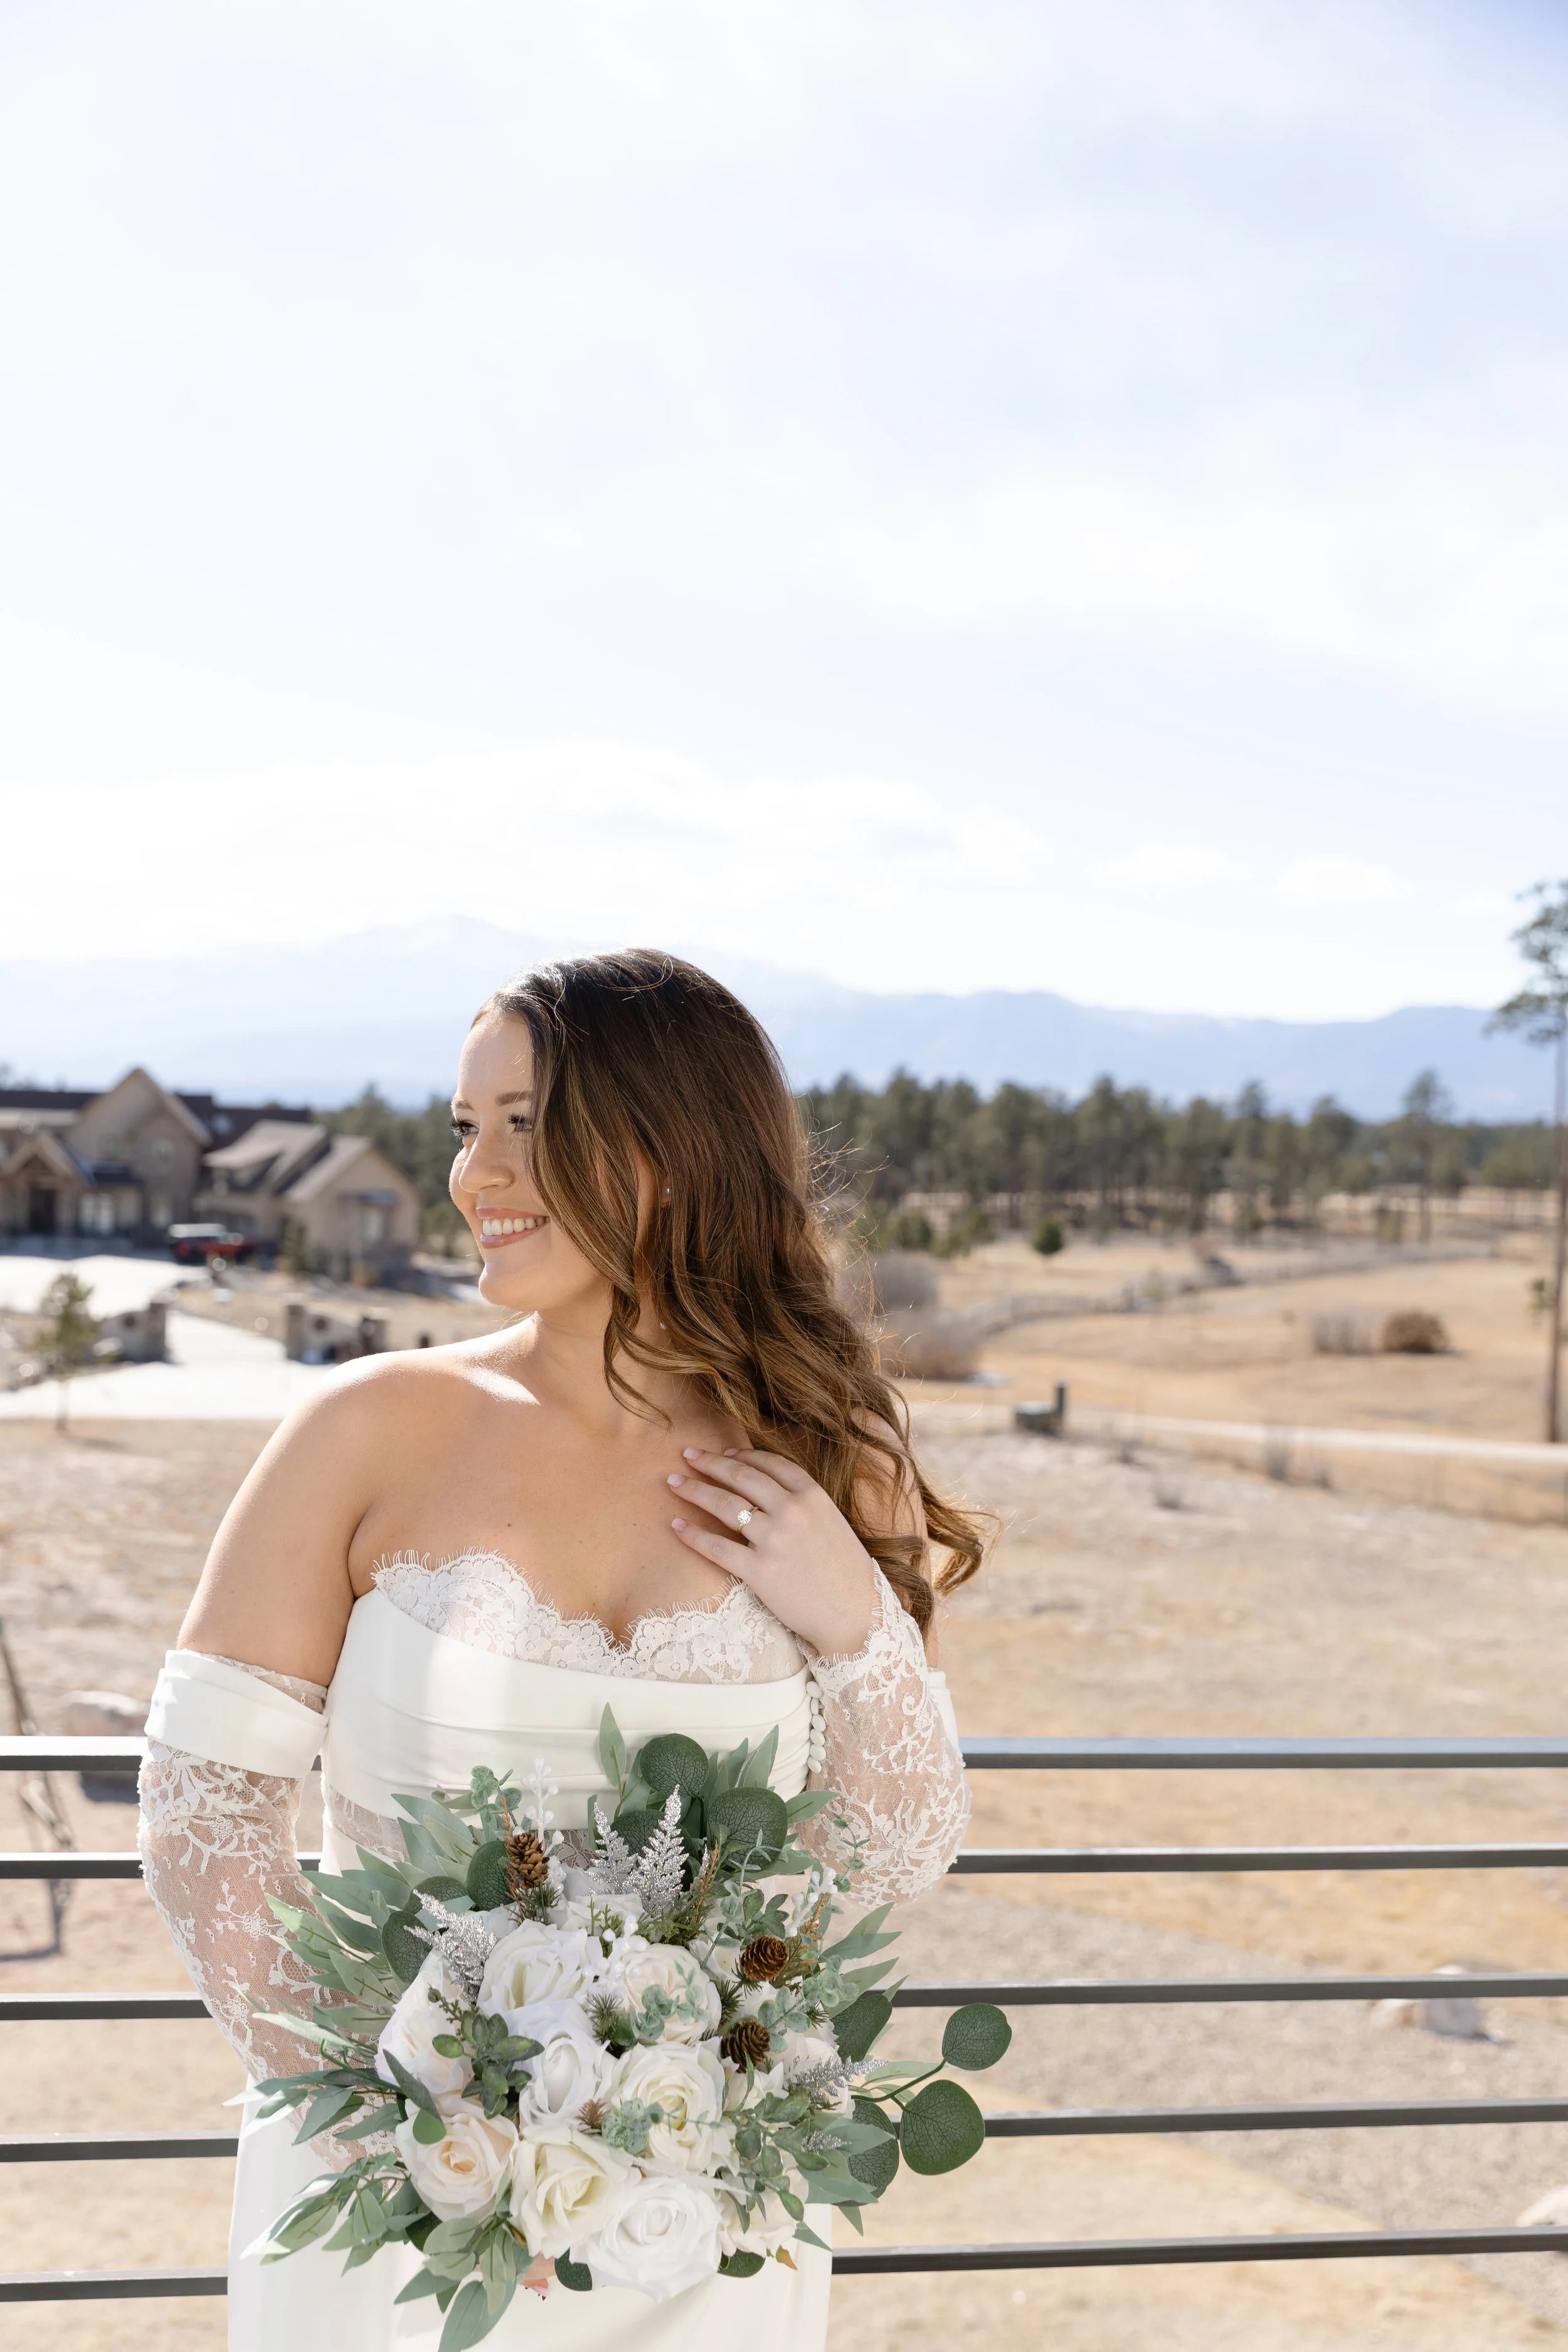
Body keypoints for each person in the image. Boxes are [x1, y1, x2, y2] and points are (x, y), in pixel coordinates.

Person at [139, 948, 983, 2350]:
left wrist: (851, 1614)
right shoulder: (364, 1430)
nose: (474, 1175)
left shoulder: (833, 1456)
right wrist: (418, 2134)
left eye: (525, 1124)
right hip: (403, 2216)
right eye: (466, 1126)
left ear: (672, 1149)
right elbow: (205, 1822)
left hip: (699, 2223)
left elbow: (890, 1855)